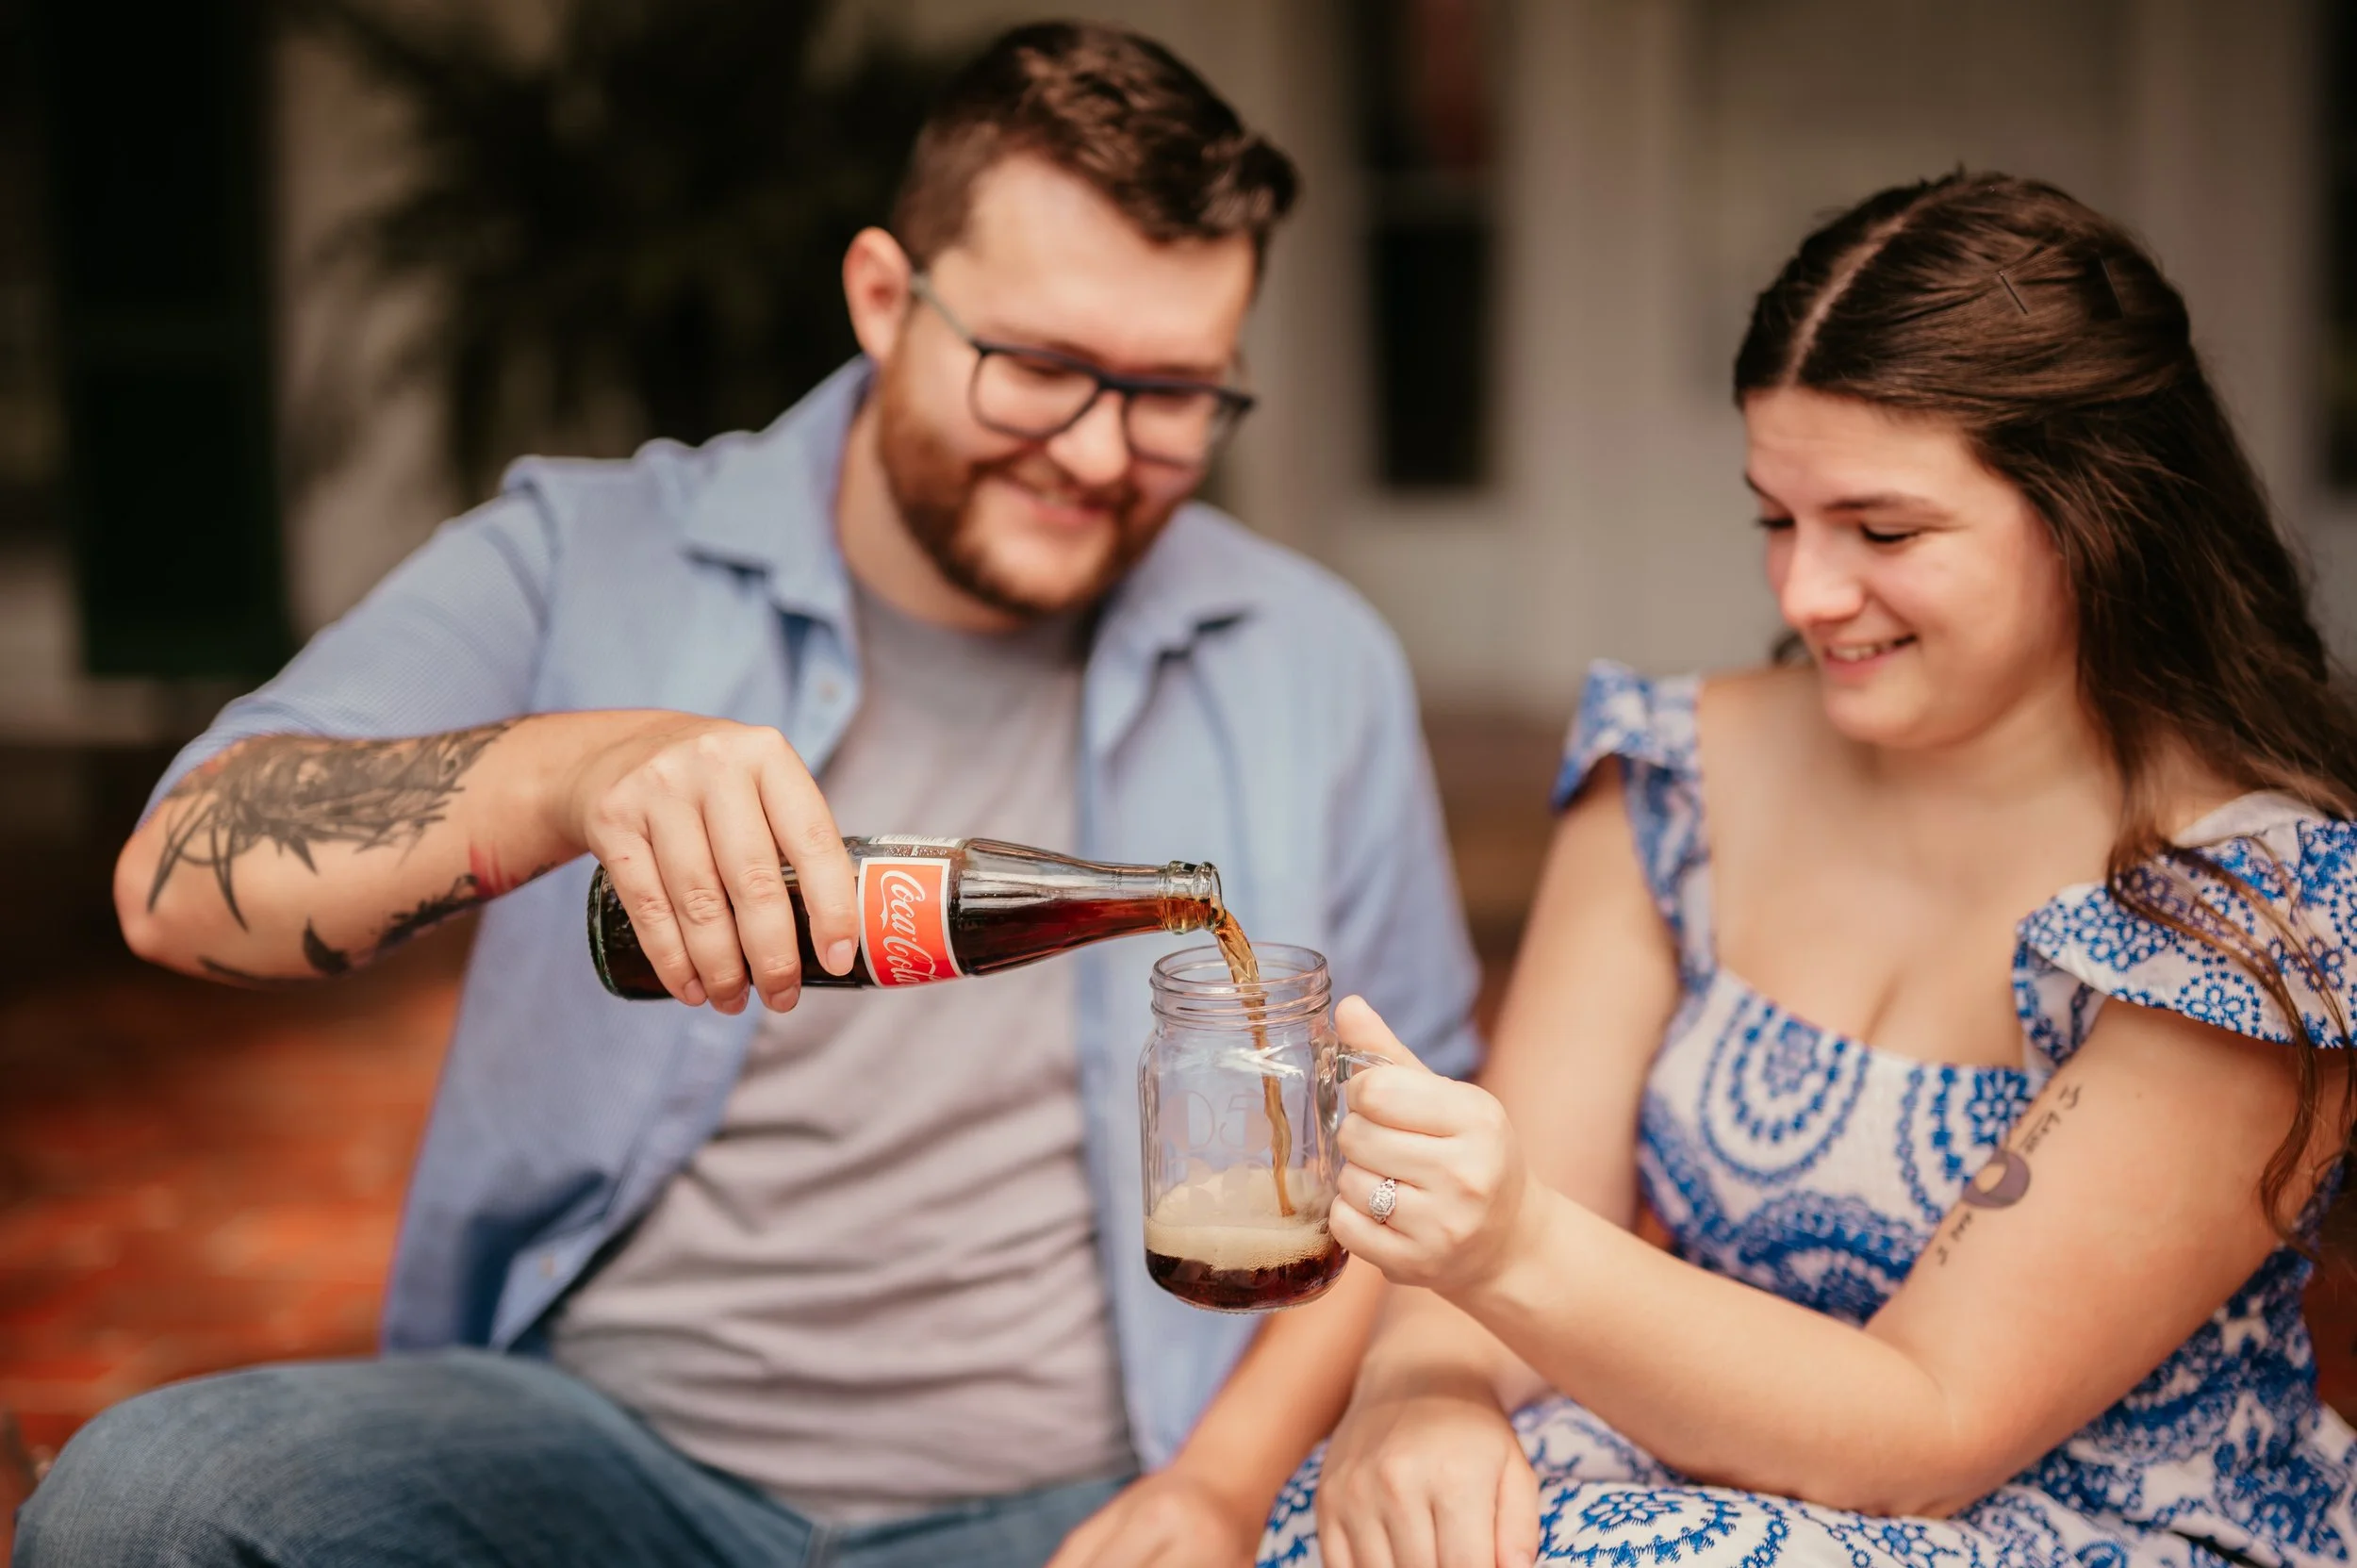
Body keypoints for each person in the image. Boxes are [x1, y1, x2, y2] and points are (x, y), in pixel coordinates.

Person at [17, 22, 1481, 1568]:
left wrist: (1220, 1485)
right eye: (1041, 367)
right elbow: (176, 875)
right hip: (605, 1459)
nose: (1102, 450)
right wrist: (571, 769)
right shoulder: (589, 552)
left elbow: (1409, 1144)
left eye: (1175, 394)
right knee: (149, 1505)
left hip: (1079, 1497)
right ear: (879, 298)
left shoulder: (1315, 657)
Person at [1261, 171, 2357, 1568]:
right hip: (1683, 1452)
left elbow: (1927, 1430)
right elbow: (1515, 1212)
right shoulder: (1673, 772)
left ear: (2097, 515)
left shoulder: (2260, 914)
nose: (1803, 594)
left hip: (2077, 1521)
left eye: (1881, 531)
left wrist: (1508, 1252)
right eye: (1775, 519)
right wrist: (1425, 1390)